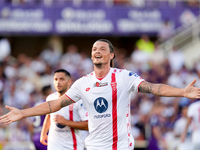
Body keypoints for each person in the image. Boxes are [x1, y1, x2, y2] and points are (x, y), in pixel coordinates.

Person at [1, 39, 200, 150]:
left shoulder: (124, 77)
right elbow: (54, 105)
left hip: (121, 147)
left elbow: (154, 88)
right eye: (94, 48)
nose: (97, 51)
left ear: (111, 55)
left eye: (102, 49)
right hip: (94, 147)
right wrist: (23, 113)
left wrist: (182, 92)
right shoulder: (82, 83)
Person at [40, 69, 88, 150]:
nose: (58, 82)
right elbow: (48, 116)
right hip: (53, 146)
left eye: (61, 79)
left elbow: (88, 125)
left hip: (72, 146)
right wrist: (43, 133)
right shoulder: (50, 98)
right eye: (55, 79)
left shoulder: (78, 100)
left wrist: (65, 122)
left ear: (69, 81)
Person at [31, 85, 52, 150]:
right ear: (49, 93)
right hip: (45, 136)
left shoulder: (36, 104)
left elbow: (31, 123)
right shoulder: (49, 104)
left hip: (36, 136)